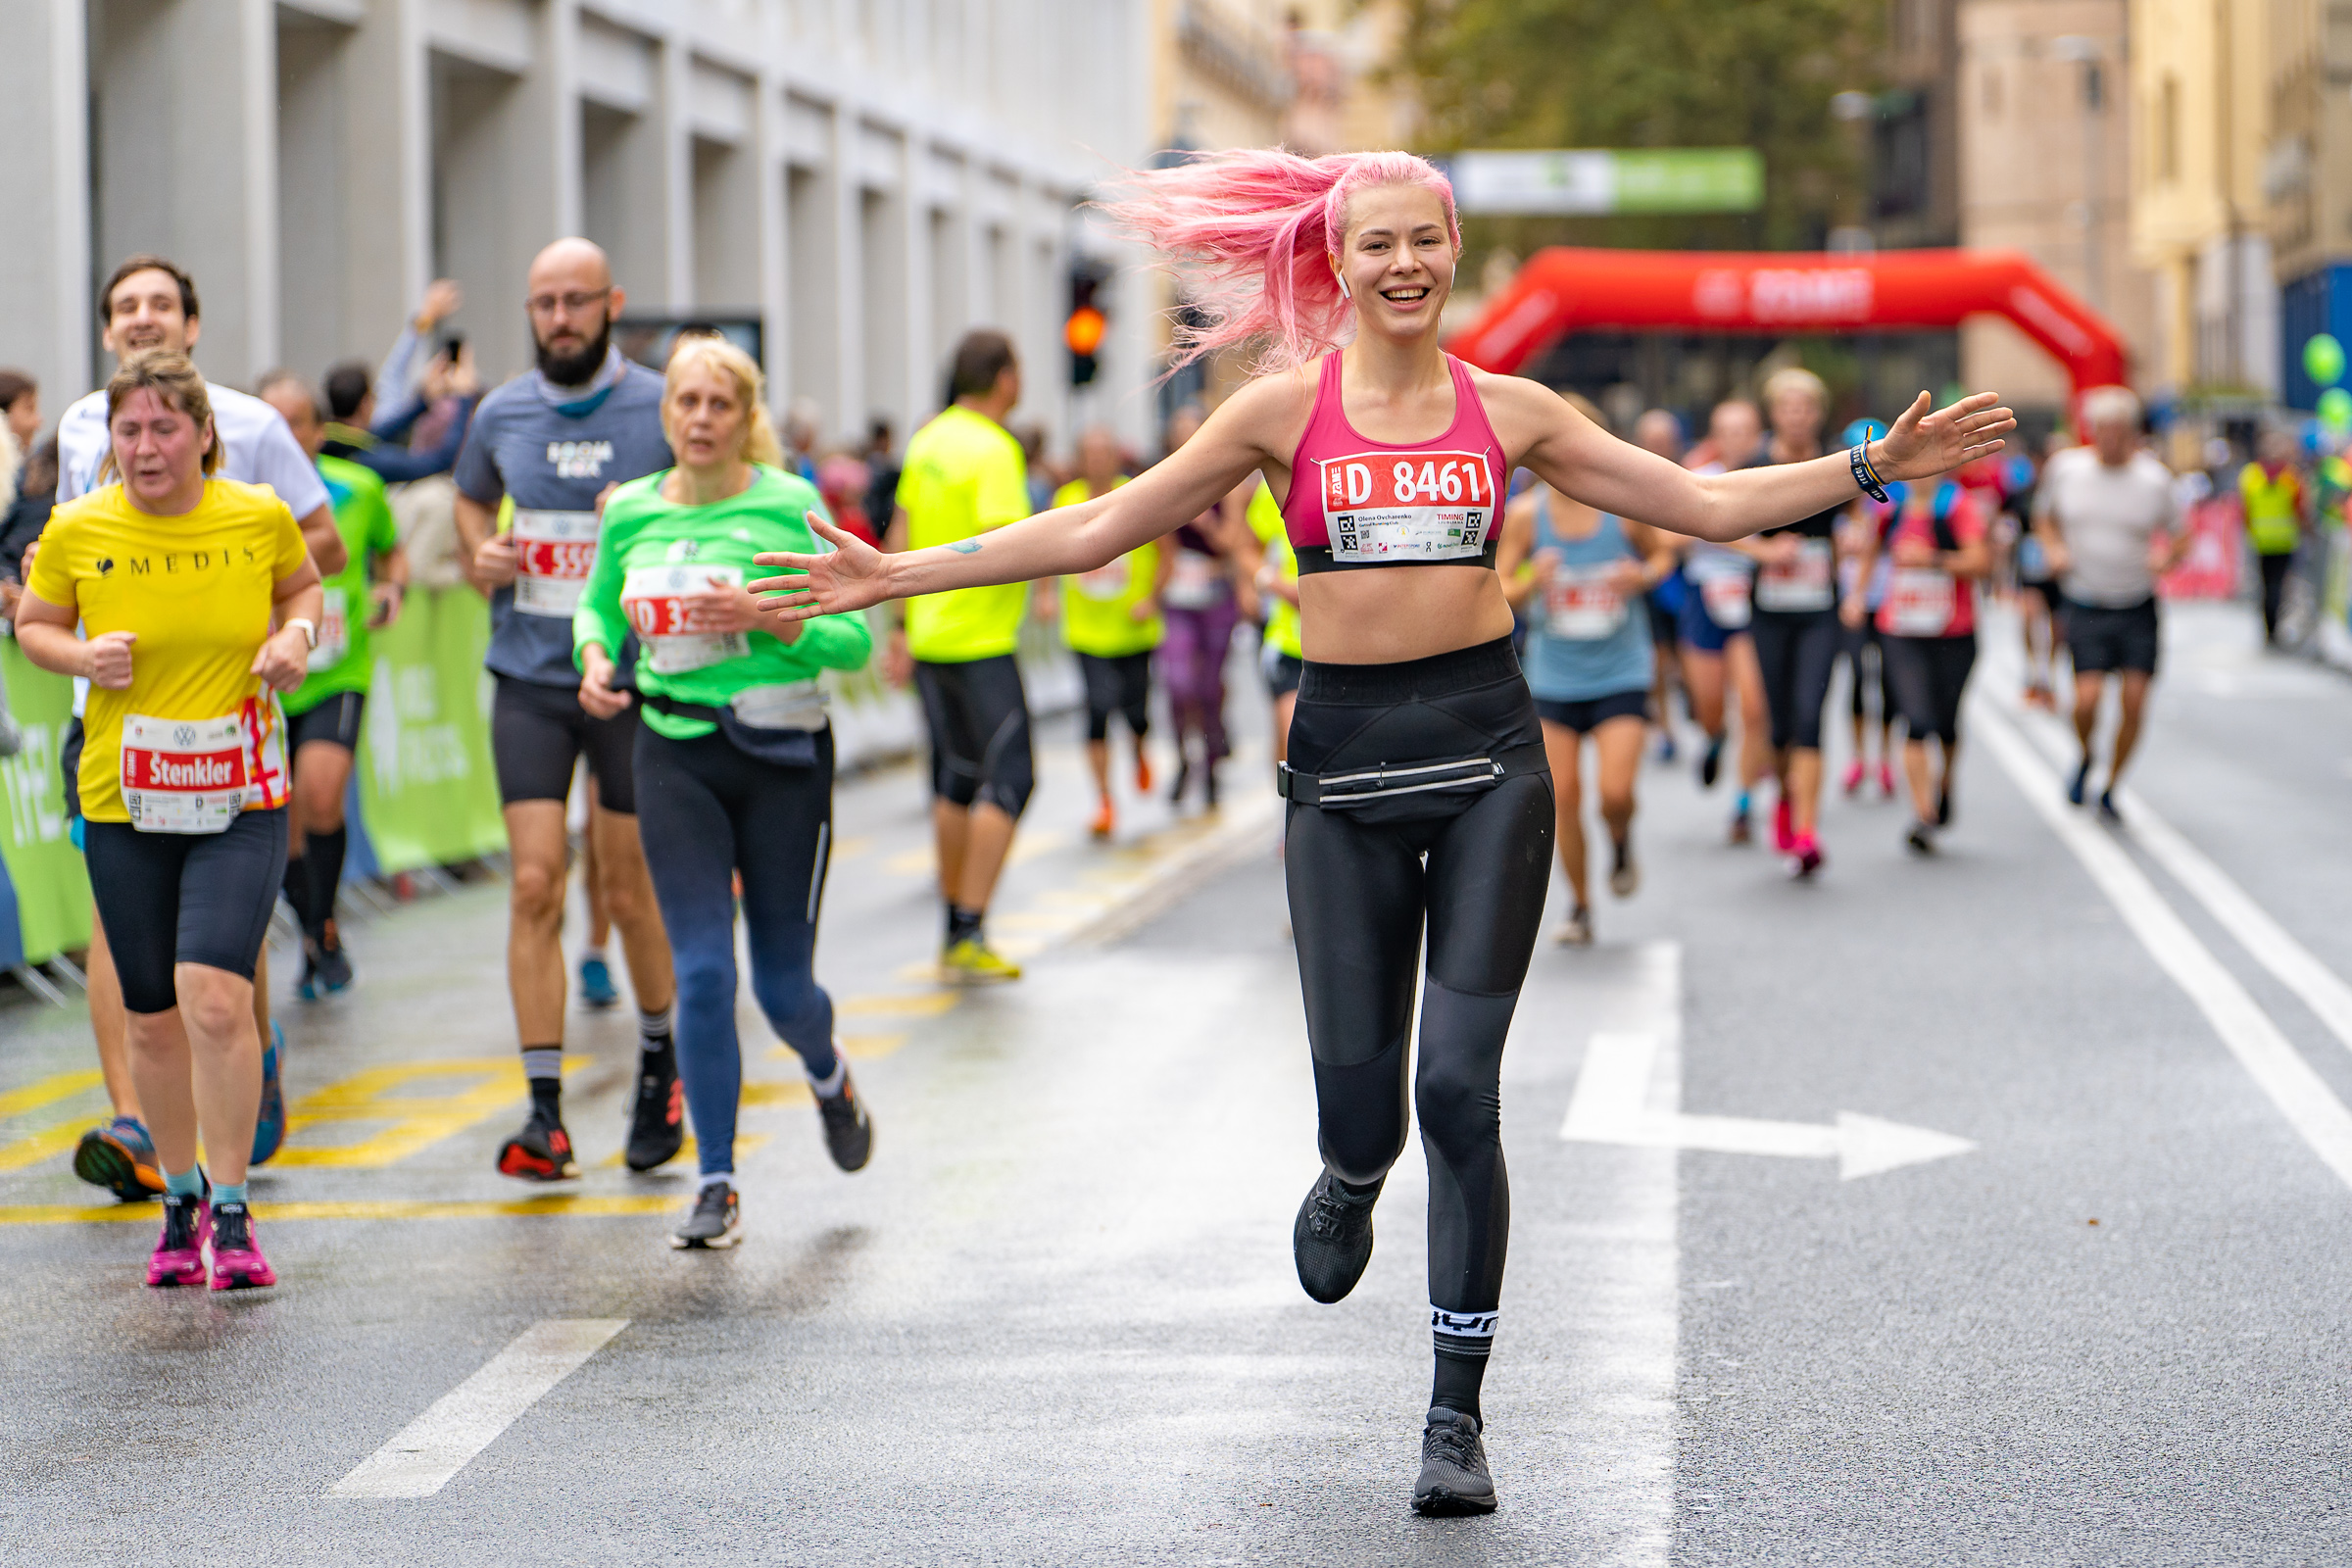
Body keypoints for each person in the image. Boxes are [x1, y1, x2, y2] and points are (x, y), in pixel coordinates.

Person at [747, 147, 2009, 1515]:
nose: (1402, 265)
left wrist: (1877, 462)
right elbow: (1103, 529)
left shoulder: (1514, 411)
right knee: (1370, 1115)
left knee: (1459, 1090)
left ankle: (1455, 1416)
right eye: (1377, 246)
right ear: (1335, 264)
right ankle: (1350, 1176)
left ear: (1452, 252)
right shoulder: (1279, 417)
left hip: (1488, 763)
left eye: (1424, 241)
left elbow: (1705, 508)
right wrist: (894, 575)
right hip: (1339, 776)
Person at [18, 351, 323, 1289]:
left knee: (215, 995)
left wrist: (294, 640)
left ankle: (232, 1216)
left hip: (239, 791)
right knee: (150, 1020)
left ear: (203, 435)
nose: (145, 448)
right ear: (110, 442)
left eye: (163, 429)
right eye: (129, 431)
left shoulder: (255, 515)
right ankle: (179, 1194)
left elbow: (304, 589)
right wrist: (81, 657)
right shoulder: (78, 526)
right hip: (126, 796)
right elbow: (34, 625)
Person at [574, 335, 874, 1250]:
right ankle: (715, 1181)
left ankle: (827, 1075)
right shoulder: (628, 510)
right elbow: (597, 604)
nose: (699, 419)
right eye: (685, 403)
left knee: (783, 989)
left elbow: (852, 643)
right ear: (665, 414)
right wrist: (593, 657)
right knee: (702, 972)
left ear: (747, 418)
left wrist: (767, 617)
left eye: (718, 404)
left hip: (782, 756)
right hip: (672, 752)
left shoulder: (787, 506)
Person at [452, 237, 681, 1180]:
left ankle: (661, 1062)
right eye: (543, 303)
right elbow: (471, 505)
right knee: (537, 882)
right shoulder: (499, 412)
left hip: (630, 679)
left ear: (611, 303)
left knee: (625, 889)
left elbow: (707, 504)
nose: (559, 320)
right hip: (532, 679)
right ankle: (544, 1112)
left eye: (575, 302)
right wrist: (484, 556)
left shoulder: (661, 405)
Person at [885, 328, 1037, 983]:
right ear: (1003, 379)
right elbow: (999, 544)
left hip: (928, 637)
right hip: (980, 641)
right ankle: (969, 925)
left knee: (956, 777)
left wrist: (897, 628)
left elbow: (900, 533)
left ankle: (954, 923)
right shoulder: (995, 448)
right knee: (1012, 777)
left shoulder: (928, 438)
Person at [1494, 426, 1678, 947]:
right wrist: (1533, 580)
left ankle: (1620, 838)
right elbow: (1499, 583)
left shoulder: (1619, 509)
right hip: (1554, 674)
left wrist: (1639, 576)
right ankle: (1580, 904)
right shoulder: (1530, 516)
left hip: (1620, 670)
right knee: (1562, 798)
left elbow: (1662, 555)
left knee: (1614, 793)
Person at [258, 371, 408, 994]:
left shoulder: (359, 487)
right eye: (273, 422)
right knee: (283, 822)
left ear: (321, 431)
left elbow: (391, 550)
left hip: (337, 670)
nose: (286, 435)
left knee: (321, 796)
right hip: (264, 676)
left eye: (297, 421)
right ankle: (317, 927)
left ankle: (321, 926)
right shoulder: (240, 497)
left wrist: (391, 586)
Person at [2033, 386, 2185, 821]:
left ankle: (2113, 784)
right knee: (2086, 700)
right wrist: (2053, 547)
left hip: (2136, 601)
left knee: (2135, 701)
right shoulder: (2067, 470)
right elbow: (2044, 517)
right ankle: (2085, 755)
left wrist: (2167, 557)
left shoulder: (2154, 479)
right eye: (2103, 430)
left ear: (2133, 433)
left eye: (2120, 431)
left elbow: (2181, 534)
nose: (2111, 439)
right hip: (2085, 599)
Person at [1842, 478, 1989, 854]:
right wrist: (1857, 597)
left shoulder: (1957, 506)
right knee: (1916, 718)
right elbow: (1871, 552)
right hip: (1902, 629)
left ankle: (1945, 783)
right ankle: (1924, 815)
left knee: (1945, 723)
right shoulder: (1889, 506)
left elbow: (1980, 562)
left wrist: (1934, 559)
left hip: (1954, 631)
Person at [1742, 368, 1848, 879]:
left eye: (1806, 408)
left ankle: (1807, 830)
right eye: (1788, 408)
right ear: (1774, 414)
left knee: (1810, 714)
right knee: (1780, 724)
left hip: (1820, 610)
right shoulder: (1756, 465)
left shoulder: (1835, 464)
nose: (1798, 416)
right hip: (1770, 610)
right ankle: (1785, 793)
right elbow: (1717, 525)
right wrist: (1765, 550)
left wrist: (1855, 553)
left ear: (1818, 414)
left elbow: (1865, 520)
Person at [1055, 426, 1167, 839]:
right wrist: (1047, 594)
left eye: (1105, 452)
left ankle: (1139, 749)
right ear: (1081, 459)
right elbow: (1046, 547)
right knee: (1097, 709)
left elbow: (1165, 551)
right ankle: (1103, 799)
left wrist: (1152, 598)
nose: (1099, 459)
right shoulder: (1065, 499)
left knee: (1135, 713)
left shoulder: (1135, 493)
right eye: (1091, 452)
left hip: (1133, 630)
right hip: (1085, 632)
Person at [1679, 400, 1773, 842]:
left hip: (1752, 599)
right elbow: (1673, 532)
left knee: (1753, 706)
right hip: (1706, 596)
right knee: (1709, 706)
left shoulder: (1773, 475)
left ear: (1758, 434)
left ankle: (1743, 803)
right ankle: (1715, 737)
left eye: (1745, 430)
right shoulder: (1700, 478)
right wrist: (1754, 548)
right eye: (1727, 431)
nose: (1737, 440)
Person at [1157, 405, 1245, 808]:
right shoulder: (1163, 481)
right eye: (1179, 435)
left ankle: (1210, 764)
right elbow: (1161, 546)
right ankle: (1181, 759)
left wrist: (1203, 521)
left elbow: (1234, 542)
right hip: (1178, 598)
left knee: (1208, 687)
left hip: (1215, 596)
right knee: (1178, 684)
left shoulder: (1227, 482)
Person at [1835, 418, 1898, 801]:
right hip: (1850, 605)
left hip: (1886, 600)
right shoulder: (1834, 504)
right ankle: (1859, 755)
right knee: (1858, 679)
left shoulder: (1892, 503)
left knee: (1890, 681)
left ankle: (1886, 757)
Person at [1630, 408, 1690, 762]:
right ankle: (1665, 728)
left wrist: (1668, 542)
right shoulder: (1631, 479)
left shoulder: (1691, 474)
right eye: (1652, 441)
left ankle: (1698, 709)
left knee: (1687, 658)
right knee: (1657, 661)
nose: (1659, 446)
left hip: (1687, 583)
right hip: (1652, 586)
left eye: (1665, 440)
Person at [2239, 430, 2308, 645]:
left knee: (2266, 584)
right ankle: (2273, 626)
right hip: (2284, 539)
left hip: (2260, 539)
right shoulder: (2291, 476)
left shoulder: (2251, 475)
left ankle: (2268, 626)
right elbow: (2299, 509)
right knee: (2278, 585)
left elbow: (2245, 509)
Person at [2013, 438, 2063, 710]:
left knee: (2057, 626)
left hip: (2057, 571)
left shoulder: (2066, 491)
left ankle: (2050, 677)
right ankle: (2034, 675)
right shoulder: (2024, 493)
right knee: (2029, 616)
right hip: (2031, 567)